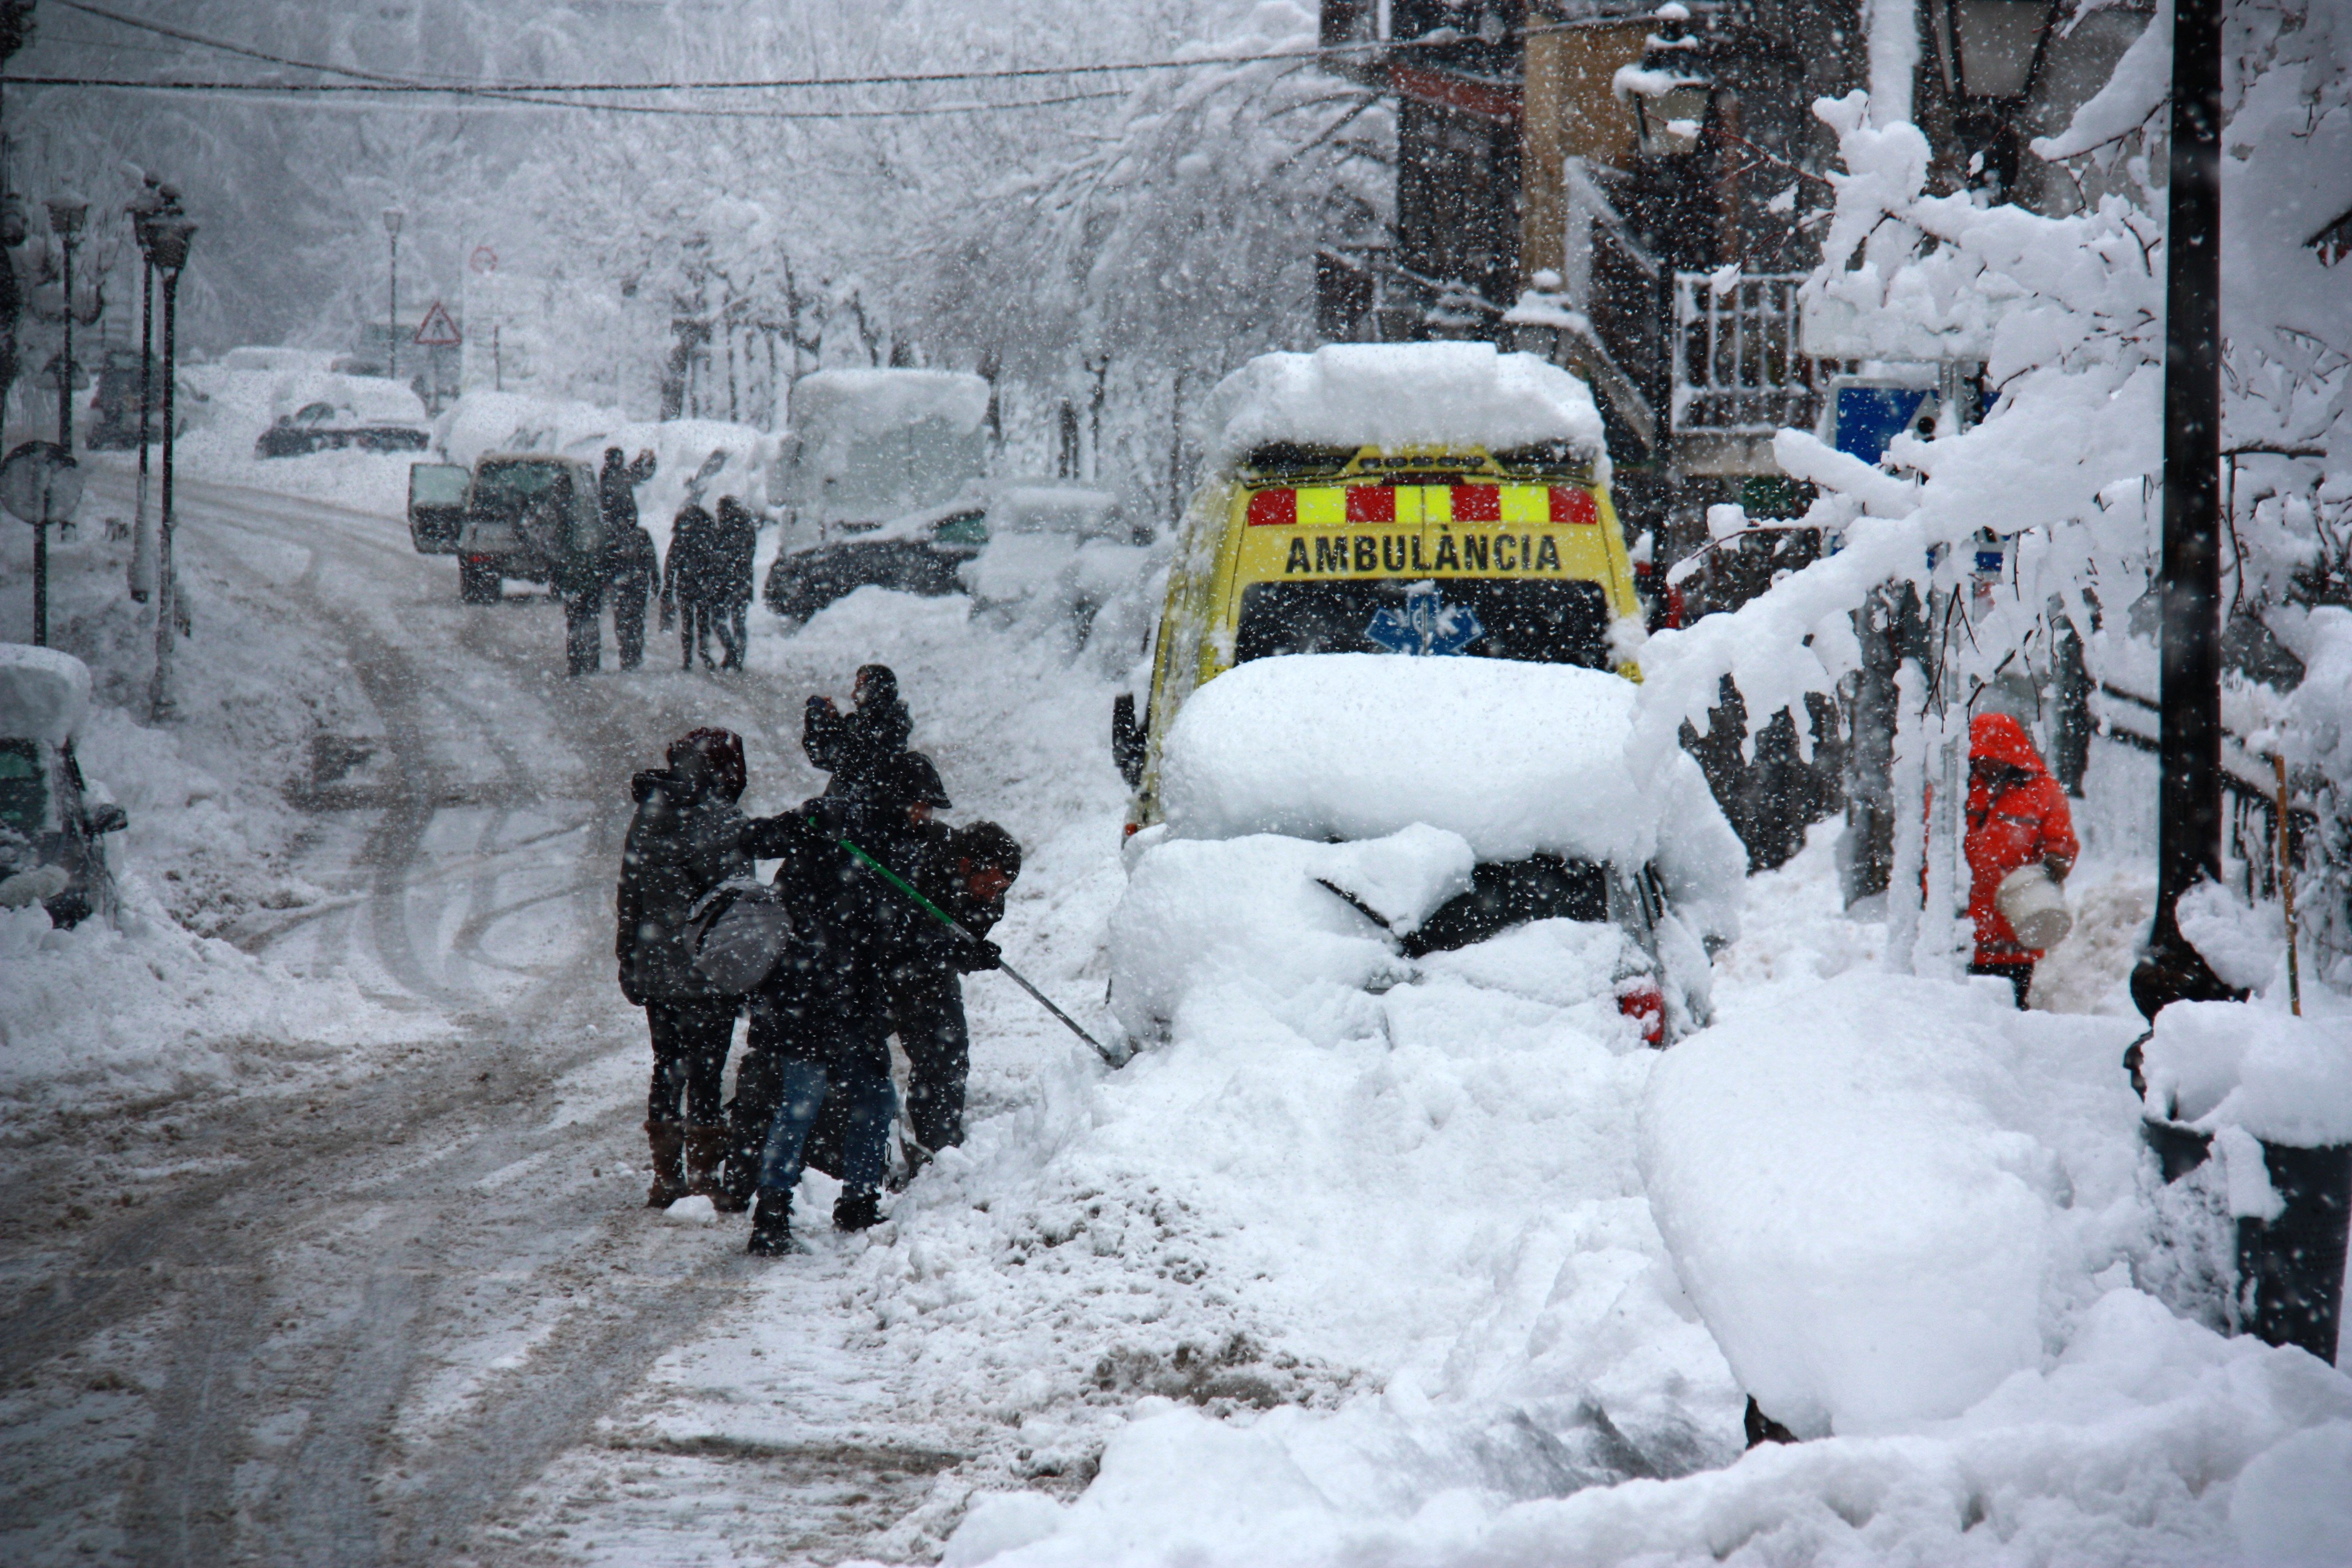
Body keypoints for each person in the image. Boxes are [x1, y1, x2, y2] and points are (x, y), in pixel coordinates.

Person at [733, 784, 904, 1254]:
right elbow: (752, 839)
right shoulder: (853, 868)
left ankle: (783, 1210)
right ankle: (844, 1201)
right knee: (852, 1102)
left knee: (808, 1107)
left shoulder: (809, 870)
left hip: (813, 1010)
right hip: (827, 1009)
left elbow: (754, 839)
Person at [616, 728, 749, 1207]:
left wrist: (628, 957)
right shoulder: (725, 819)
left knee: (667, 1066)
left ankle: (666, 1176)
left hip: (657, 969)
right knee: (708, 1073)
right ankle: (705, 1174)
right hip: (709, 973)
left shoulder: (649, 812)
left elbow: (629, 892)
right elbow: (741, 907)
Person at [892, 814, 1022, 1158]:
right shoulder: (916, 864)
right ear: (966, 865)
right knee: (852, 1063)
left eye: (1001, 890)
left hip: (930, 979)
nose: (992, 897)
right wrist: (950, 950)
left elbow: (958, 945)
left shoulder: (990, 901)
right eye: (988, 885)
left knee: (946, 1056)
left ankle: (939, 1150)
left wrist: (967, 955)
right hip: (872, 970)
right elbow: (899, 940)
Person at [1963, 712, 2078, 1009]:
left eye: (1994, 757)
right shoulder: (1958, 788)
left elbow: (2060, 838)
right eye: (1981, 757)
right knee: (1963, 1007)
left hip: (2019, 912)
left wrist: (2057, 858)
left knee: (2009, 1003)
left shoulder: (2044, 792)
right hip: (1964, 921)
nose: (1987, 764)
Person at [803, 664, 912, 800]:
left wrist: (818, 719)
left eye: (859, 688)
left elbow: (832, 756)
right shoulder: (886, 722)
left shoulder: (880, 724)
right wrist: (833, 721)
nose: (853, 695)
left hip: (855, 810)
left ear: (873, 689)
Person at [664, 502, 719, 671]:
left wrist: (668, 586)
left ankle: (688, 656)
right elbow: (716, 561)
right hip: (703, 585)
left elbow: (671, 563)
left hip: (685, 585)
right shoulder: (709, 535)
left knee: (688, 623)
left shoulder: (681, 537)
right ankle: (703, 652)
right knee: (703, 622)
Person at [711, 496, 758, 672]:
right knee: (736, 622)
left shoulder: (728, 529)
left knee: (720, 621)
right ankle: (736, 655)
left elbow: (732, 555)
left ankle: (733, 653)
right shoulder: (746, 528)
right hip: (741, 582)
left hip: (728, 582)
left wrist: (724, 563)